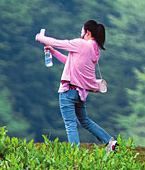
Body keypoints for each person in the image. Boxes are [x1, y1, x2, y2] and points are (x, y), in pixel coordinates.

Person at [36, 21, 117, 153]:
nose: (80, 34)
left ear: (88, 33)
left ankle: (75, 155)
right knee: (84, 120)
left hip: (68, 91)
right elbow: (71, 62)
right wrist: (54, 52)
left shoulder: (81, 44)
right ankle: (109, 141)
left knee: (70, 124)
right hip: (80, 93)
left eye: (82, 31)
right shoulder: (94, 49)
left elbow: (59, 42)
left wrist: (40, 38)